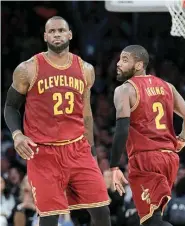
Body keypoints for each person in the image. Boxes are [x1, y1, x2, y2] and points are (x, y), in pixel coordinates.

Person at [4, 16, 111, 226]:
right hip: (43, 152)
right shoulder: (28, 69)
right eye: (52, 31)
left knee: (102, 212)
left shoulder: (85, 69)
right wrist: (17, 135)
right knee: (49, 217)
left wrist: (92, 150)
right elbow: (10, 107)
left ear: (70, 34)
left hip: (77, 149)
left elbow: (86, 113)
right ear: (45, 36)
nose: (57, 34)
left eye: (61, 30)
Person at [109, 45, 185, 226]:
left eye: (125, 60)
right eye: (119, 59)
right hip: (169, 158)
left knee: (153, 221)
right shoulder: (168, 87)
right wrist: (182, 140)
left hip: (145, 159)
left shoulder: (125, 90)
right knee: (151, 218)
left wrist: (114, 166)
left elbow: (122, 129)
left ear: (139, 65)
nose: (118, 63)